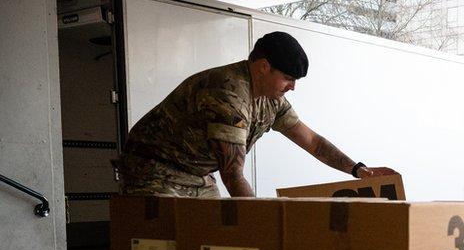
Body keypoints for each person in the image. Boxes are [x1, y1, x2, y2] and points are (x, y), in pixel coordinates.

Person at [115, 31, 393, 197]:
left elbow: (312, 142)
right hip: (153, 171)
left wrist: (358, 170)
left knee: (212, 247)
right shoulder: (228, 95)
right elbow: (233, 175)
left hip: (199, 174)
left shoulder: (271, 98)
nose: (293, 87)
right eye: (287, 78)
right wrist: (265, 223)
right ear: (262, 67)